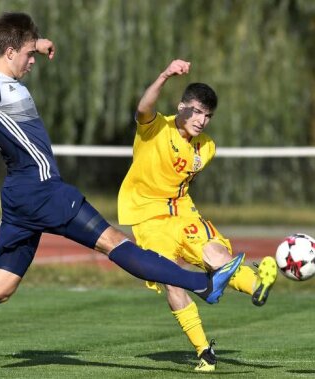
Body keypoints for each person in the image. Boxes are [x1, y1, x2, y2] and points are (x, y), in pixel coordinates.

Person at [0, 12, 245, 369]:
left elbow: (19, 49)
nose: (33, 62)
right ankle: (203, 283)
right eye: (28, 54)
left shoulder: (3, 73)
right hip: (42, 189)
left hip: (21, 196)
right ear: (11, 51)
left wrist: (40, 42)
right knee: (116, 243)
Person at [118, 59, 278, 372]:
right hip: (148, 218)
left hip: (182, 211)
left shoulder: (206, 147)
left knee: (215, 253)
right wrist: (164, 74)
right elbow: (142, 108)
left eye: (208, 115)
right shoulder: (155, 128)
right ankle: (204, 352)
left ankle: (258, 287)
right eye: (196, 111)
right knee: (172, 281)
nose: (202, 120)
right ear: (181, 108)